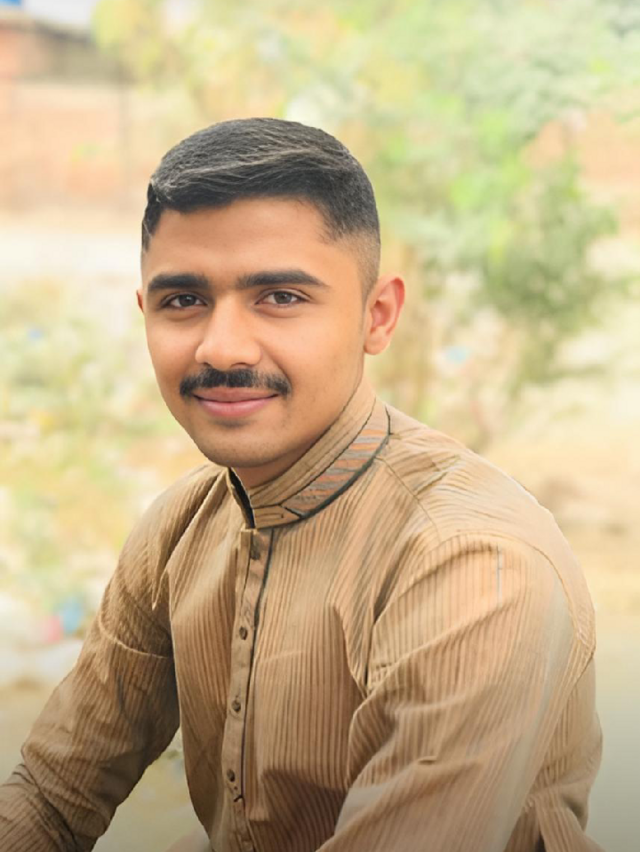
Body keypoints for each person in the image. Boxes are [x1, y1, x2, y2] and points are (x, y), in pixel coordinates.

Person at [0, 117, 603, 852]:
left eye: (281, 297)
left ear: (377, 316)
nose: (222, 348)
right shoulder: (180, 528)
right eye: (183, 300)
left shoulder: (472, 563)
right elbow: (53, 797)